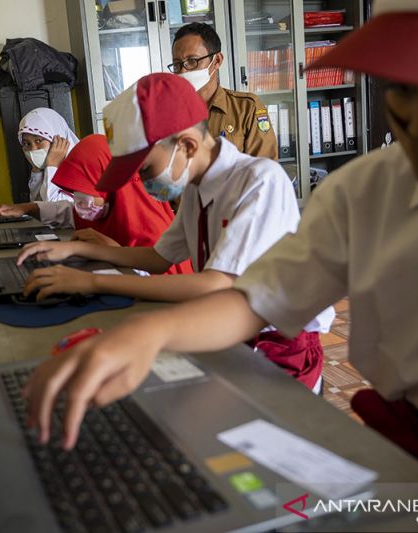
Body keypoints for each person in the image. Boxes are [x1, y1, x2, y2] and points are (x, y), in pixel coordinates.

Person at [24, 2, 418, 530]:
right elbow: (256, 298)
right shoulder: (370, 189)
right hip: (408, 455)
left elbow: (228, 286)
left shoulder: (258, 180)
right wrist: (145, 336)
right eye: (405, 88)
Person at [19, 73, 333, 391]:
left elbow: (218, 284)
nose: (143, 182)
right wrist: (79, 250)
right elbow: (159, 257)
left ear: (186, 144)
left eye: (146, 169)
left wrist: (93, 281)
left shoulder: (259, 181)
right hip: (226, 332)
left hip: (280, 347)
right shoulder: (197, 186)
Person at [50, 133, 192, 275]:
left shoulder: (145, 220)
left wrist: (112, 252)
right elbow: (71, 212)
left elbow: (164, 278)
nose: (80, 201)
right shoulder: (115, 203)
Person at [170, 22, 278, 160]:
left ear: (217, 61)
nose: (183, 71)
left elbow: (266, 172)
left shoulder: (246, 108)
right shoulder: (168, 112)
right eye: (177, 64)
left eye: (192, 61)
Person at [0, 108, 78, 227]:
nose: (33, 149)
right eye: (26, 144)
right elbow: (39, 204)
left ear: (59, 140)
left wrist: (52, 166)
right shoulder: (44, 169)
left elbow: (54, 214)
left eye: (39, 140)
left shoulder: (79, 168)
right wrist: (38, 171)